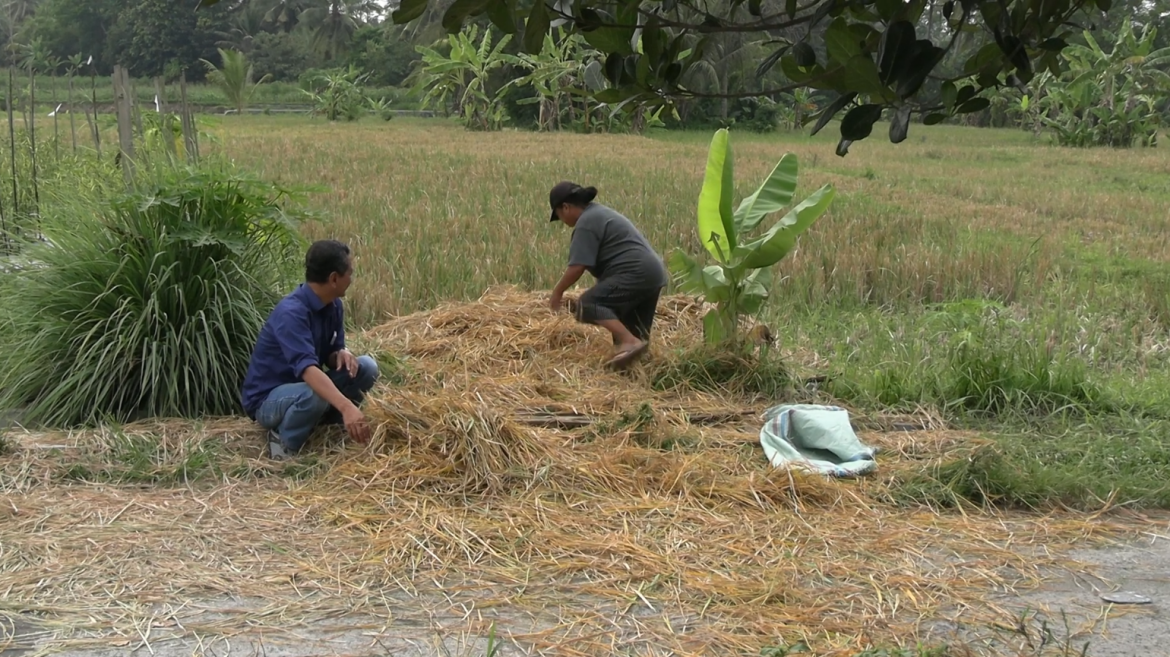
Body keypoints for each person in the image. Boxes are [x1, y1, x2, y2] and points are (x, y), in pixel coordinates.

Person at [241, 239, 380, 459]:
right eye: (349, 273)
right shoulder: (291, 313)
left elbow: (329, 355)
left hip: (303, 389)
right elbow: (308, 371)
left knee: (367, 367)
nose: (351, 279)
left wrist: (340, 354)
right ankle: (283, 443)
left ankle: (328, 425)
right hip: (269, 399)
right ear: (334, 278)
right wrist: (346, 406)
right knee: (316, 393)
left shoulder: (333, 305)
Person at [547, 181, 669, 369]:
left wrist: (557, 294)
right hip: (653, 273)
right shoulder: (599, 213)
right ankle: (640, 375)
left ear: (566, 207)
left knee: (588, 304)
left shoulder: (586, 223)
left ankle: (630, 341)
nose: (563, 221)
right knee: (630, 348)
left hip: (635, 272)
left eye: (559, 216)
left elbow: (577, 267)